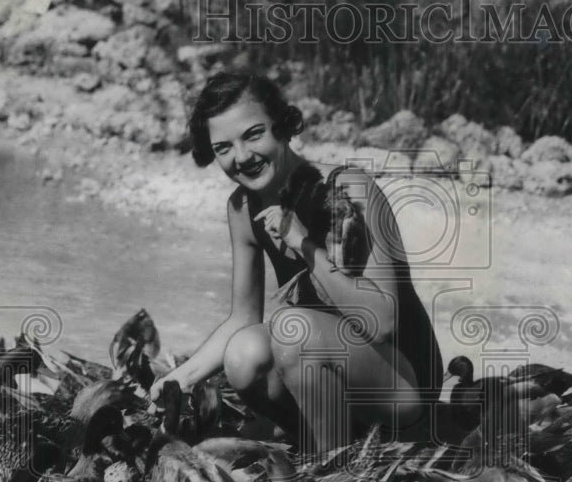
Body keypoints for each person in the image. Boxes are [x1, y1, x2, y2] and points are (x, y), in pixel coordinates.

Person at [152, 72, 443, 455]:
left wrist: (302, 243)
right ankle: (322, 440)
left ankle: (334, 468)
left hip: (403, 382)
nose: (241, 157)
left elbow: (383, 322)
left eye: (254, 135)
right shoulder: (242, 209)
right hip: (326, 364)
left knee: (292, 331)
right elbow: (242, 318)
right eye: (223, 148)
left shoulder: (348, 188)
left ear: (284, 127)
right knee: (243, 355)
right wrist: (179, 378)